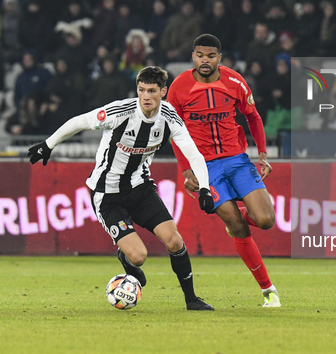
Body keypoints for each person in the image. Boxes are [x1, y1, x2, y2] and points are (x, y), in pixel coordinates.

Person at [27, 66, 215, 311]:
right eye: (141, 90)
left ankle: (191, 300)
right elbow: (80, 121)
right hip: (107, 195)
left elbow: (194, 155)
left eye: (151, 91)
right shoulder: (121, 111)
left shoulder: (169, 117)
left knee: (174, 240)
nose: (145, 96)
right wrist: (49, 144)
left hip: (140, 188)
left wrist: (204, 189)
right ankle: (126, 258)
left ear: (163, 92)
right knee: (139, 256)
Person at [167, 34, 281, 308]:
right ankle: (268, 290)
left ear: (220, 57)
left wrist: (262, 154)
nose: (204, 61)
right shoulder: (179, 87)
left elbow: (253, 116)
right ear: (193, 56)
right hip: (205, 169)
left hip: (238, 160)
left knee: (265, 220)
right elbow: (174, 131)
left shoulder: (234, 81)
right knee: (238, 228)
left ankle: (240, 215)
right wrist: (186, 172)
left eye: (210, 56)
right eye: (199, 55)